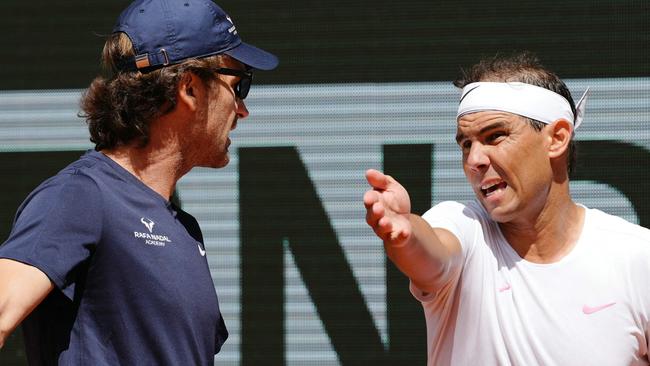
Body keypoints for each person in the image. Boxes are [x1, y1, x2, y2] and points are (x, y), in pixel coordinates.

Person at [0, 0, 277, 364]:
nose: (242, 109)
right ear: (189, 88)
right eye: (238, 86)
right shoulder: (80, 196)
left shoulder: (184, 230)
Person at [364, 52, 650, 365]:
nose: (474, 160)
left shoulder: (637, 257)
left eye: (495, 136)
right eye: (466, 144)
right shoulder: (463, 226)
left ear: (556, 138)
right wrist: (405, 235)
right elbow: (432, 254)